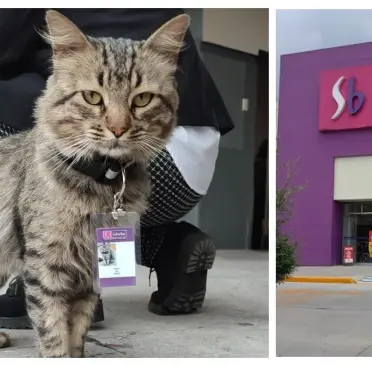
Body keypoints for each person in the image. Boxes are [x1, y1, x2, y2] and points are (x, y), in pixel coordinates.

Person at [0, 9, 234, 329]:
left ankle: (44, 271)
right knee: (110, 217)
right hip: (185, 172)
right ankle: (170, 245)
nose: (118, 124)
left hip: (122, 159)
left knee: (20, 97)